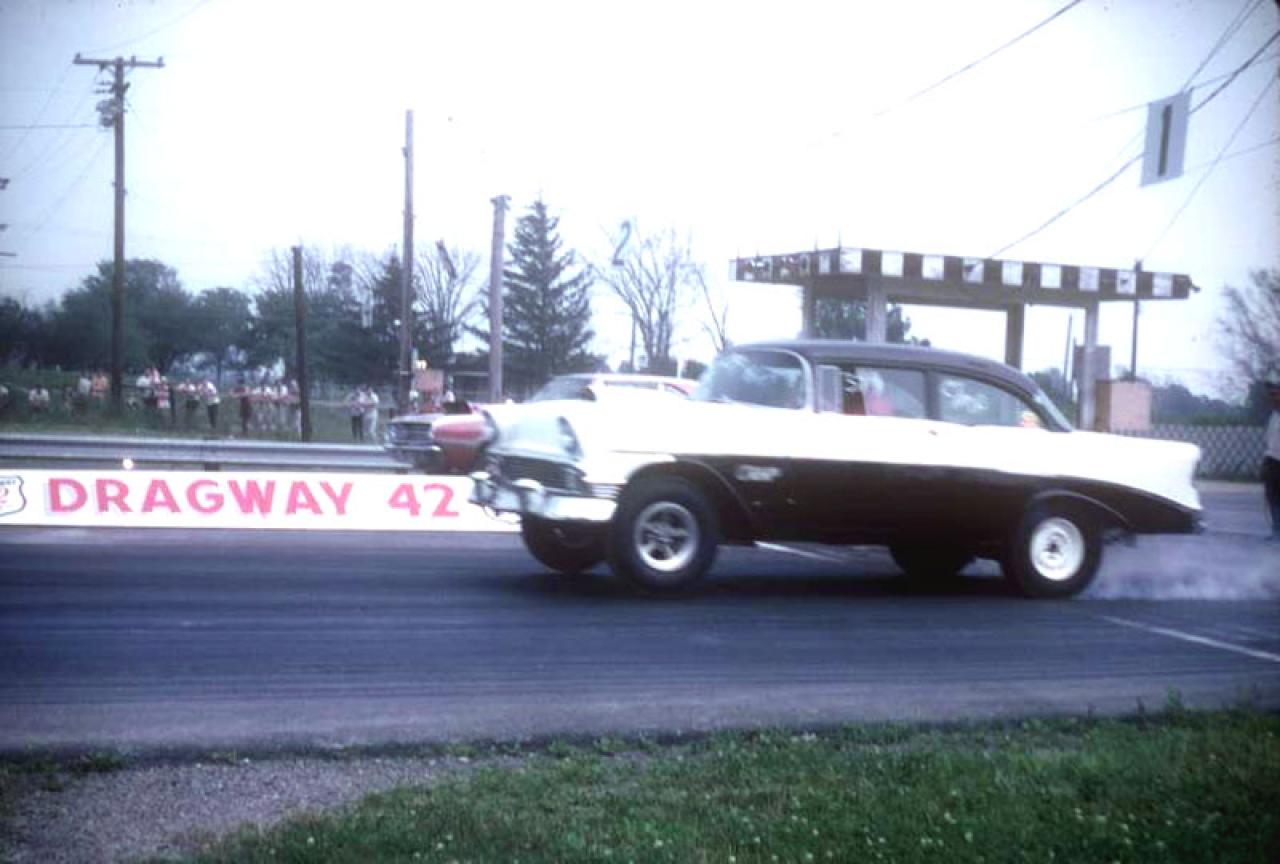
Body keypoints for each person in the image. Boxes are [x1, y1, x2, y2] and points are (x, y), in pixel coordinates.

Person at [1265, 377, 1280, 541]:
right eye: (1272, 395)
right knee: (1272, 496)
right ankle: (1277, 529)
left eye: (1277, 394)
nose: (1274, 398)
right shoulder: (1274, 416)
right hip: (1273, 459)